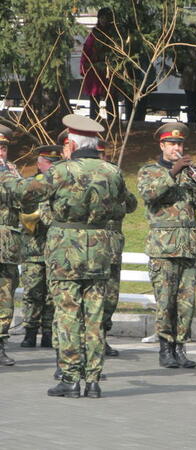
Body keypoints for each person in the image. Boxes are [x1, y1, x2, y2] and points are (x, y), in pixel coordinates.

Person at [7, 114, 127, 399]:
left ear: (70, 143)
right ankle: (94, 380)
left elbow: (24, 192)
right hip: (100, 248)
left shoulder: (60, 171)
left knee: (68, 314)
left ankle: (71, 378)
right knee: (95, 316)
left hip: (65, 250)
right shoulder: (112, 171)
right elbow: (124, 204)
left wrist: (6, 175)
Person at [137, 123, 196, 369]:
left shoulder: (189, 172)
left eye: (179, 144)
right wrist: (172, 173)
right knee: (165, 301)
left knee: (186, 302)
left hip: (188, 247)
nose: (176, 148)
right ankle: (165, 348)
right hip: (163, 248)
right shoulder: (150, 171)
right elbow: (148, 195)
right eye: (172, 144)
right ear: (162, 145)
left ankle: (181, 347)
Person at [97, 140, 138, 357]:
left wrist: (119, 188)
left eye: (104, 155)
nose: (101, 159)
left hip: (112, 248)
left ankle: (102, 337)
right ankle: (89, 340)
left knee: (110, 298)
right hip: (93, 248)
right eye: (98, 155)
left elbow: (132, 205)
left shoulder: (114, 178)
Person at [19, 145, 62, 348]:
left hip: (55, 249)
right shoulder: (31, 184)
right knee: (32, 293)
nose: (51, 167)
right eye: (48, 163)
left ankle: (48, 332)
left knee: (52, 295)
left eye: (55, 163)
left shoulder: (61, 184)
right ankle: (29, 331)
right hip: (34, 249)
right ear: (39, 164)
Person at [0, 125, 21, 366]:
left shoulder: (13, 171)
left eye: (4, 147)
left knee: (5, 296)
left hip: (8, 246)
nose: (1, 152)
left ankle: (1, 343)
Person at [80, 7, 116, 123]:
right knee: (94, 98)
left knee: (111, 97)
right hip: (94, 71)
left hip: (110, 71)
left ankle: (113, 122)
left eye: (106, 18)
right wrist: (83, 68)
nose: (104, 20)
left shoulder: (114, 35)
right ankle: (93, 121)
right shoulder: (94, 35)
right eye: (101, 18)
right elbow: (86, 52)